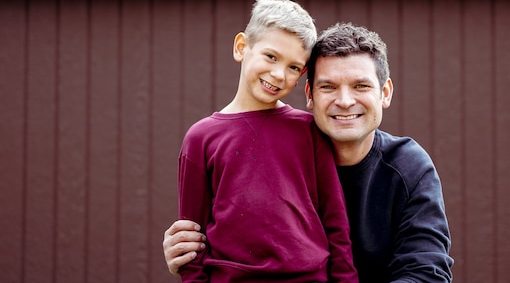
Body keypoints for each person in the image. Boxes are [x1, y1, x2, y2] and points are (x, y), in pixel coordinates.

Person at [165, 22, 454, 283]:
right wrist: (188, 251)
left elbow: (427, 271)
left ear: (385, 92)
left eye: (361, 86)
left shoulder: (408, 166)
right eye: (328, 87)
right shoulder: (274, 155)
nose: (344, 101)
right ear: (309, 96)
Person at [176, 0, 357, 283]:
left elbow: (335, 223)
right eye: (271, 57)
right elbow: (190, 240)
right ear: (241, 47)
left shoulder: (309, 130)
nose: (278, 74)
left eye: (294, 67)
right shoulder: (201, 138)